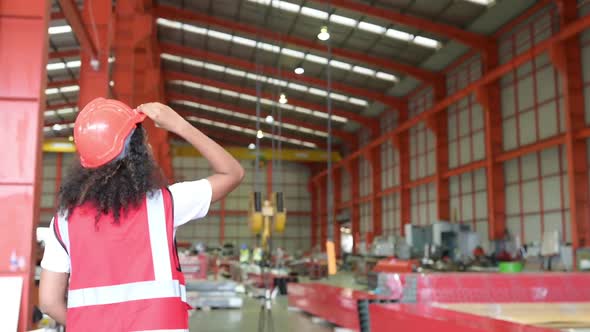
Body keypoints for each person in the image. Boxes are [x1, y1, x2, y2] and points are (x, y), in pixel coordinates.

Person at [39, 98, 244, 331]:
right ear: (136, 151)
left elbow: (48, 302)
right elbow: (232, 173)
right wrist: (179, 125)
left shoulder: (64, 222)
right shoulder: (165, 204)